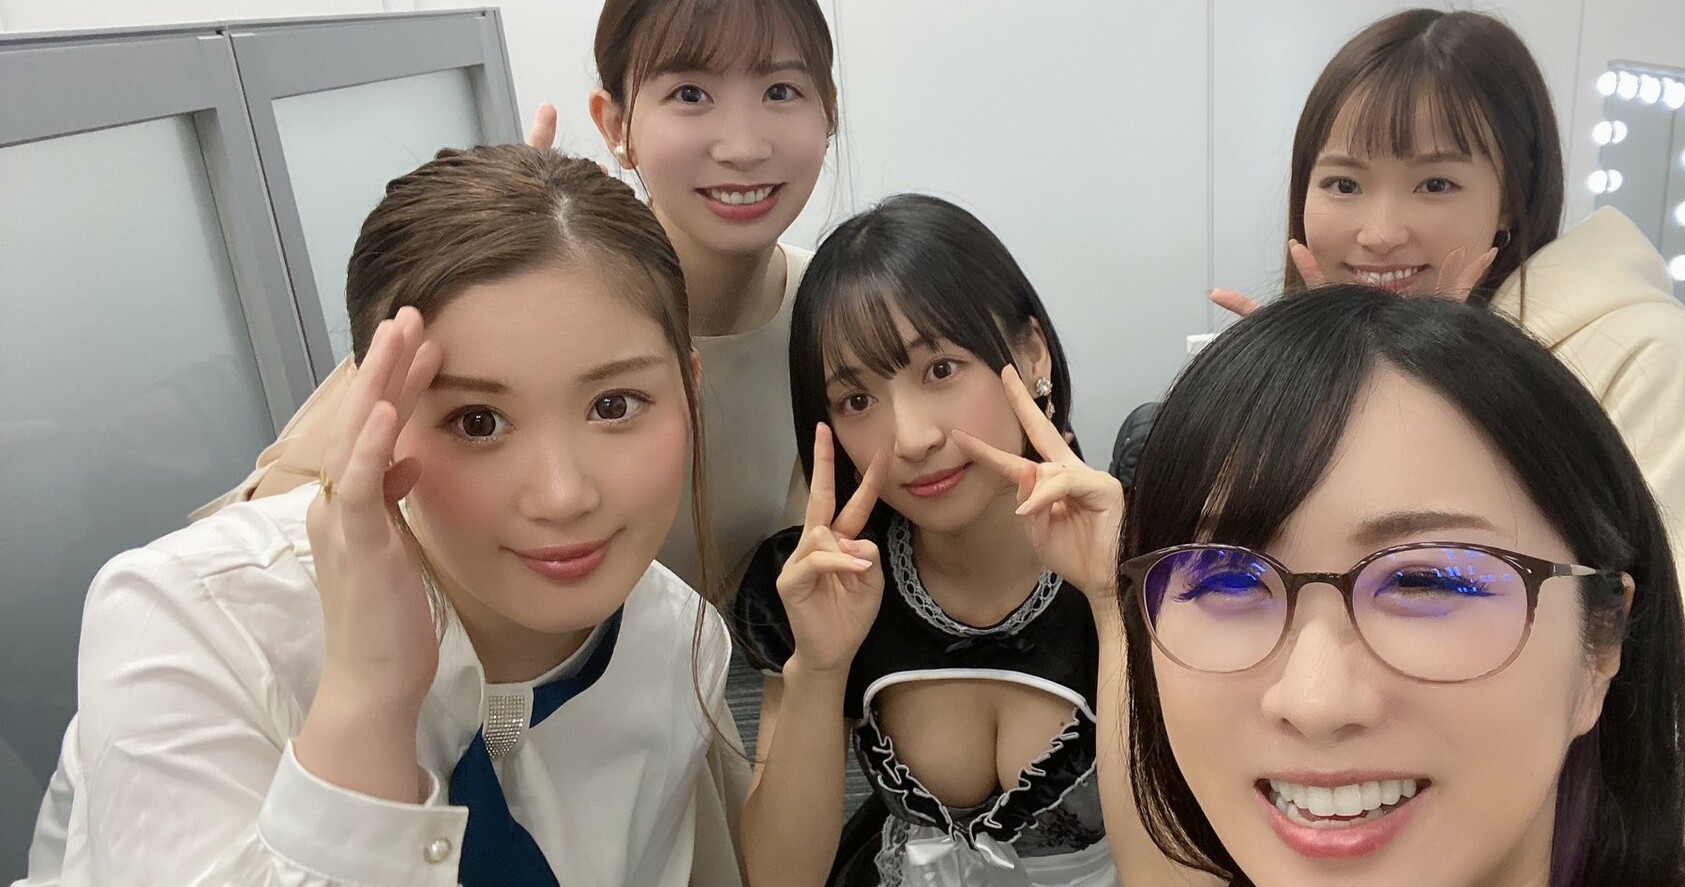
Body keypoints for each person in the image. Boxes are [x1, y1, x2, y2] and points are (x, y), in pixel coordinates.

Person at [1201, 8, 1685, 866]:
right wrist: (1294, 394)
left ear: (1513, 199)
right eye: (1343, 184)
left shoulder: (1645, 353)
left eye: (1435, 184)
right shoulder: (1331, 363)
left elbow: (1680, 670)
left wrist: (1446, 383)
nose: (1379, 230)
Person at [18, 145, 746, 887]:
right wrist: (367, 697)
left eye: (615, 405)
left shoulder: (675, 642)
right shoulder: (194, 620)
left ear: (688, 390)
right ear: (378, 414)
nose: (562, 495)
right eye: (477, 422)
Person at [198, 0, 840, 594]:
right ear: (615, 124)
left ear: (828, 111)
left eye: (780, 90)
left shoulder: (841, 315)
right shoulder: (503, 305)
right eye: (690, 94)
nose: (743, 147)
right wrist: (462, 273)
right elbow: (256, 534)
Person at [729, 195, 1118, 886]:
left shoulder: (1148, 557)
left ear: (1031, 351)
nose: (911, 438)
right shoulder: (826, 582)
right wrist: (819, 669)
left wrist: (1115, 606)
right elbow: (779, 878)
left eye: (940, 369)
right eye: (856, 400)